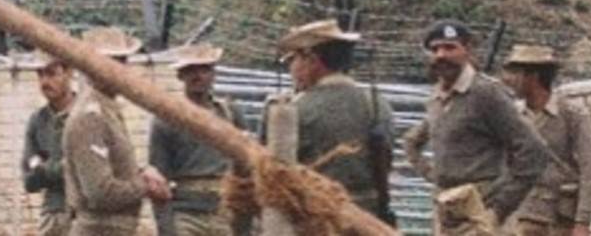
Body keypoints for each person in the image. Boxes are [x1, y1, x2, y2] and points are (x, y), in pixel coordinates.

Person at [403, 20, 548, 234]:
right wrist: (433, 175)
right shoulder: (437, 97)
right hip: (446, 211)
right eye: (435, 49)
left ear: (467, 50)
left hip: (480, 211)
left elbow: (533, 150)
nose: (441, 55)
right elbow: (412, 141)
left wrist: (499, 208)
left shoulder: (486, 94)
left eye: (450, 47)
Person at [271, 19, 396, 223]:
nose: (291, 69)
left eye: (293, 60)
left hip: (313, 220)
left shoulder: (292, 110)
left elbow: (271, 174)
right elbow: (386, 159)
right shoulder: (376, 104)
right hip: (367, 221)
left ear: (311, 60)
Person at [62, 27, 172, 236]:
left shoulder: (107, 108)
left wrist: (140, 172)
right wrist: (145, 186)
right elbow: (99, 192)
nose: (116, 71)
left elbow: (114, 167)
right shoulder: (89, 117)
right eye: (107, 64)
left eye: (121, 62)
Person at [148, 44, 249, 236]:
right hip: (186, 213)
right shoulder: (167, 118)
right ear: (180, 76)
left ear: (213, 74)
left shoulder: (230, 113)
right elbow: (158, 181)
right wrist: (166, 226)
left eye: (204, 69)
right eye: (191, 70)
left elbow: (248, 165)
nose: (198, 76)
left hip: (225, 211)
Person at [501, 45, 591, 236]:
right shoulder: (513, 115)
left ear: (533, 76)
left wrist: (582, 222)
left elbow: (590, 171)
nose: (511, 80)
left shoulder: (571, 115)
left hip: (559, 219)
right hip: (521, 215)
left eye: (517, 73)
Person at [22, 51, 77, 236]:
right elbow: (29, 181)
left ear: (68, 73)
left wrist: (44, 167)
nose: (45, 82)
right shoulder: (38, 121)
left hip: (87, 215)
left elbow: (86, 170)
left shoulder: (86, 114)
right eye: (40, 74)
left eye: (51, 73)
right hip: (53, 215)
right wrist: (60, 167)